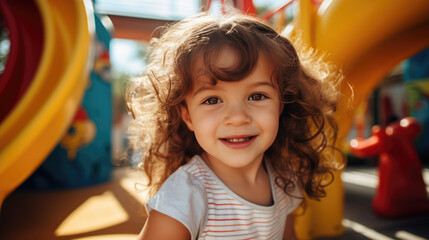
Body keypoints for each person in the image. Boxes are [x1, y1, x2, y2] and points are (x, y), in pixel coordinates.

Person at [126, 11, 342, 240]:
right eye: (212, 100)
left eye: (257, 96)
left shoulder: (284, 178)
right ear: (188, 117)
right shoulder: (186, 196)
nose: (238, 117)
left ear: (281, 104)